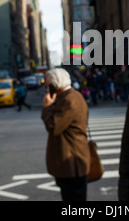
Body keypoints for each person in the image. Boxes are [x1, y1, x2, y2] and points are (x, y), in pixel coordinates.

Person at [41, 68, 90, 201]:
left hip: (73, 163)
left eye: (47, 85)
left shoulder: (69, 99)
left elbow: (54, 127)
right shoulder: (69, 96)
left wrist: (47, 107)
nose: (46, 88)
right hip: (71, 162)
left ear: (53, 85)